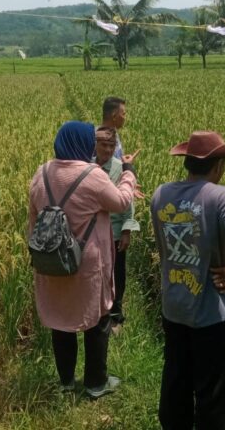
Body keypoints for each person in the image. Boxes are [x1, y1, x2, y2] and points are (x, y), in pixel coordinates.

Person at [151, 131, 225, 430]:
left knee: (175, 379)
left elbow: (164, 246)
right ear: (218, 166)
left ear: (187, 162)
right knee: (211, 395)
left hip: (173, 306)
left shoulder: (161, 194)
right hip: (212, 313)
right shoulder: (220, 196)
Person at [28, 121, 138, 399]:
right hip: (87, 264)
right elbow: (122, 202)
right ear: (81, 143)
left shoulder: (41, 173)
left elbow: (33, 222)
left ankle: (66, 382)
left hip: (51, 261)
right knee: (98, 319)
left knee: (60, 320)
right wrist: (128, 172)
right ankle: (95, 383)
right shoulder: (93, 175)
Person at [94, 126, 139, 332]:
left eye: (112, 145)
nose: (108, 149)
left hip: (115, 229)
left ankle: (116, 315)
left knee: (117, 272)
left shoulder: (121, 168)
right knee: (96, 272)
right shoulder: (88, 167)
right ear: (95, 145)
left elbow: (128, 201)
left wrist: (127, 230)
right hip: (93, 232)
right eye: (104, 144)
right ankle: (96, 311)